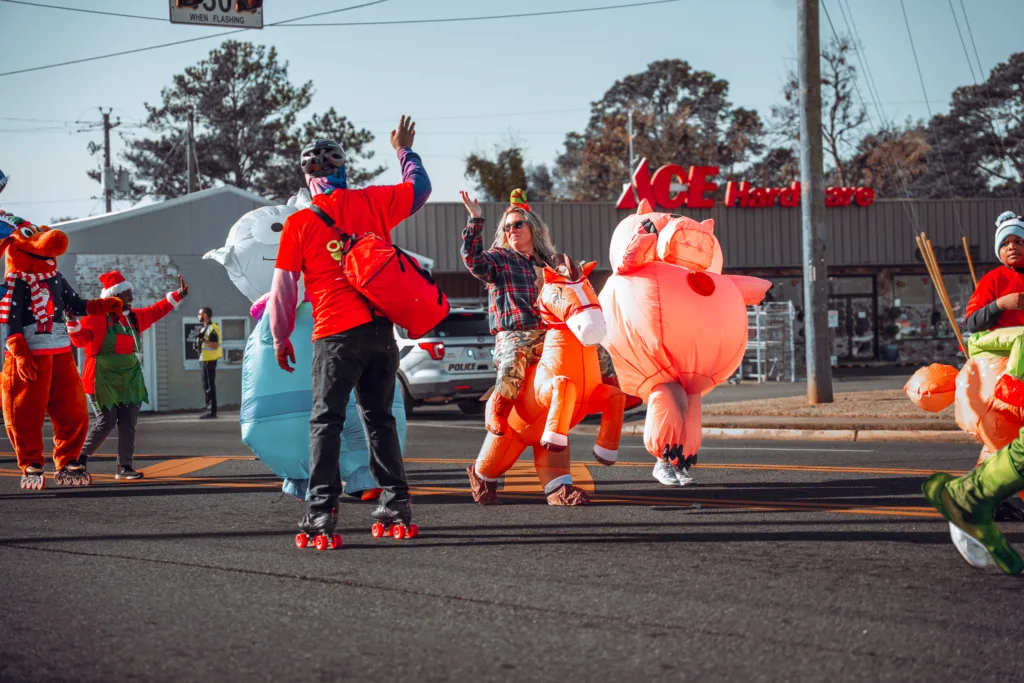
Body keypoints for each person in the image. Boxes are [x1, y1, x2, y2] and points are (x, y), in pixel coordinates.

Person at [268, 114, 431, 541]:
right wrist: (403, 149)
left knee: (327, 421)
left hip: (335, 335)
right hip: (380, 333)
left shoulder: (299, 224)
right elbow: (420, 188)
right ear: (343, 172)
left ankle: (321, 512)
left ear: (308, 179)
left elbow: (284, 288)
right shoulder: (374, 202)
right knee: (380, 420)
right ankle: (396, 504)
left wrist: (280, 337)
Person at [459, 188, 632, 439]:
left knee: (595, 349)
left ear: (533, 228)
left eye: (518, 224)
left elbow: (572, 291)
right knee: (513, 361)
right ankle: (496, 410)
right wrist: (475, 219)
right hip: (515, 335)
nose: (511, 230)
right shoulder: (500, 259)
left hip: (550, 332)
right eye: (507, 227)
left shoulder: (552, 263)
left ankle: (615, 392)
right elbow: (472, 260)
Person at [68, 270, 188, 480]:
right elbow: (79, 341)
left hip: (130, 379)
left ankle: (124, 467)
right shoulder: (95, 318)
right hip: (101, 379)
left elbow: (156, 310)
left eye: (131, 293)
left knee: (128, 423)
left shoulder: (133, 318)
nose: (131, 297)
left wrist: (177, 295)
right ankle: (79, 460)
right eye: (126, 294)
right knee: (106, 421)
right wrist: (72, 322)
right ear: (114, 297)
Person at [964, 211, 1024, 405]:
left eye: (1019, 241)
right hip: (992, 342)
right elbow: (972, 323)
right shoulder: (993, 278)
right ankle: (1011, 383)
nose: (1012, 247)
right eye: (1005, 243)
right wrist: (1001, 304)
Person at [195, 306, 221, 418]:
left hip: (210, 360)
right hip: (204, 359)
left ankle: (212, 411)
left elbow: (215, 345)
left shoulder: (212, 328)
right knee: (206, 385)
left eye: (199, 314)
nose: (198, 316)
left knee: (210, 385)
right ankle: (209, 409)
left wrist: (203, 340)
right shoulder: (204, 328)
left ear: (205, 315)